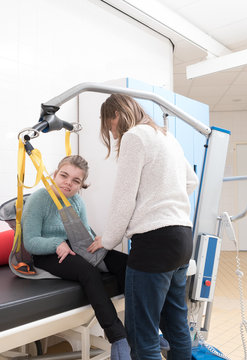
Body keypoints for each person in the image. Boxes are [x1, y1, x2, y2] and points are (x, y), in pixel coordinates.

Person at [88, 94, 199, 360]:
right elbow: (191, 181)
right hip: (182, 237)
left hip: (154, 245)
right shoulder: (166, 137)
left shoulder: (134, 137)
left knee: (143, 336)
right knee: (176, 327)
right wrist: (162, 200)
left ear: (115, 115)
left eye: (109, 127)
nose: (113, 134)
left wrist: (108, 239)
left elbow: (123, 198)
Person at [22, 155, 131, 360]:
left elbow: (84, 237)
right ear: (54, 175)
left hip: (74, 246)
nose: (68, 183)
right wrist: (56, 244)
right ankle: (118, 337)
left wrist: (99, 241)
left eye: (75, 180)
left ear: (80, 185)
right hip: (46, 252)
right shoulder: (39, 199)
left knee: (126, 263)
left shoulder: (77, 201)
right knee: (87, 271)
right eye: (64, 176)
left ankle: (138, 329)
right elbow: (30, 242)